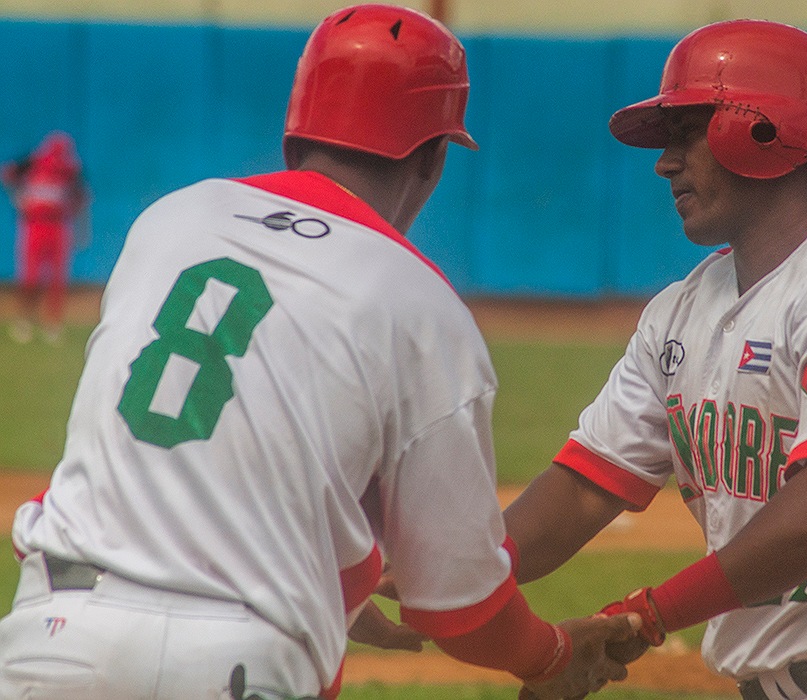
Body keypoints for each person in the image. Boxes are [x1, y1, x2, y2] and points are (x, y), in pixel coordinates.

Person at [0, 6, 640, 699]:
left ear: (295, 133)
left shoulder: (171, 219)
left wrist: (332, 584)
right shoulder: (423, 306)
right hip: (237, 656)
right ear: (433, 158)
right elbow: (460, 604)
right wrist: (550, 656)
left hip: (53, 632)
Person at [504, 19, 807, 700]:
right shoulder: (679, 311)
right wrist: (445, 580)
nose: (664, 163)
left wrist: (648, 615)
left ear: (760, 131)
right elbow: (585, 486)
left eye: (686, 133)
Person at [1, 130, 89, 344]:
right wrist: (19, 199)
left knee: (57, 278)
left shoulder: (70, 170)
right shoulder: (32, 162)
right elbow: (7, 174)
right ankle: (24, 320)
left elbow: (82, 196)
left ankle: (52, 323)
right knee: (30, 277)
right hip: (34, 225)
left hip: (58, 227)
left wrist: (80, 228)